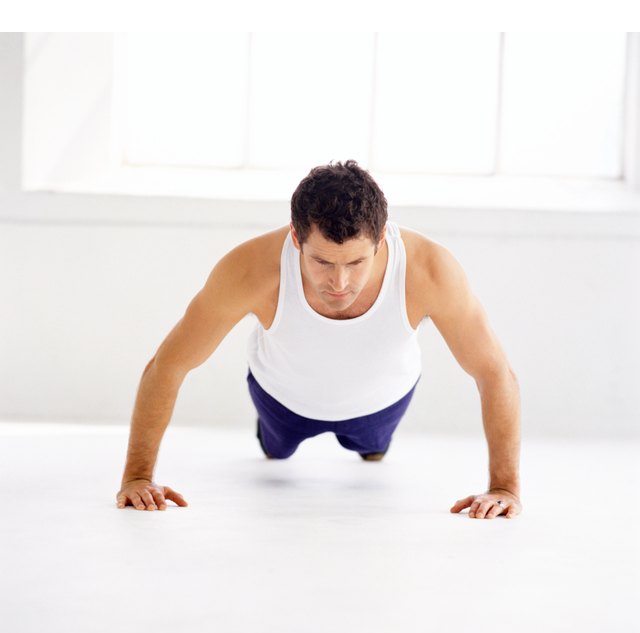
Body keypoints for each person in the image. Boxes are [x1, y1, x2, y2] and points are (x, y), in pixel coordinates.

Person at [116, 160, 521, 520]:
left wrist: (504, 487)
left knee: (374, 454)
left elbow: (493, 372)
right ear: (296, 238)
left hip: (381, 401)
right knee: (275, 454)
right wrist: (137, 476)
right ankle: (277, 438)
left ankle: (371, 444)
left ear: (381, 239)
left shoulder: (430, 269)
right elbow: (169, 364)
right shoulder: (251, 269)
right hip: (281, 399)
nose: (340, 282)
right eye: (322, 261)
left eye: (357, 262)